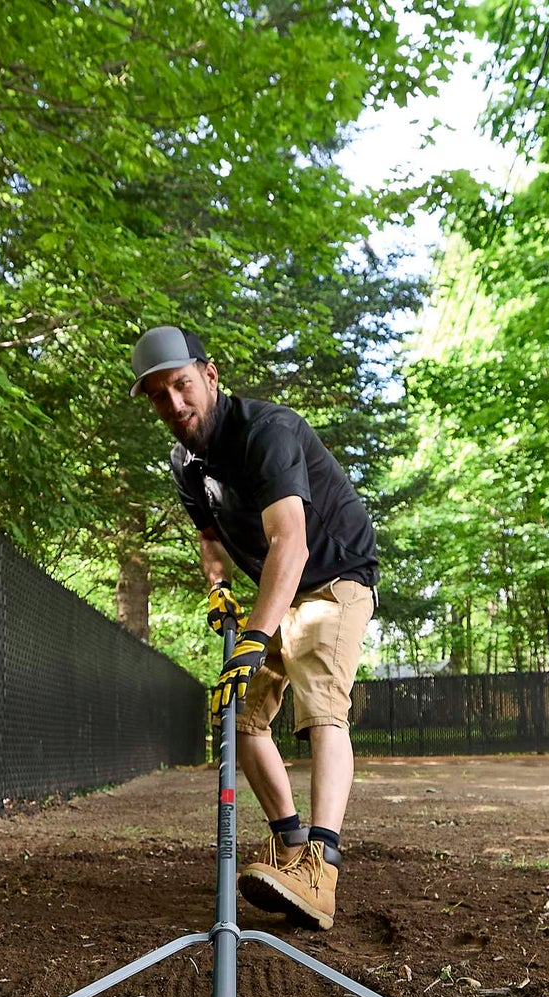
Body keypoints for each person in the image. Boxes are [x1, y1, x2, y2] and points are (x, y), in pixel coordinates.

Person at [130, 325, 378, 930]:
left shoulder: (268, 432)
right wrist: (218, 587)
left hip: (332, 577)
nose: (175, 404)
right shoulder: (186, 463)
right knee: (236, 716)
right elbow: (209, 537)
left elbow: (289, 543)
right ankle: (290, 847)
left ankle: (322, 866)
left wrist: (253, 641)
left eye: (182, 385)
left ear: (209, 375)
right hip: (277, 588)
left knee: (321, 706)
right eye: (160, 396)